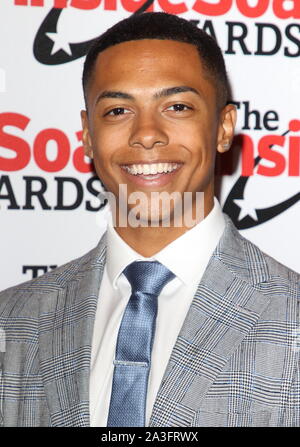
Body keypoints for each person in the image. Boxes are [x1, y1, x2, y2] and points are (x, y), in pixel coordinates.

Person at [0, 12, 299, 428]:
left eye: (177, 106)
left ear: (223, 127)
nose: (146, 133)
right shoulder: (13, 319)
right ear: (87, 134)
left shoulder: (292, 315)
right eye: (119, 110)